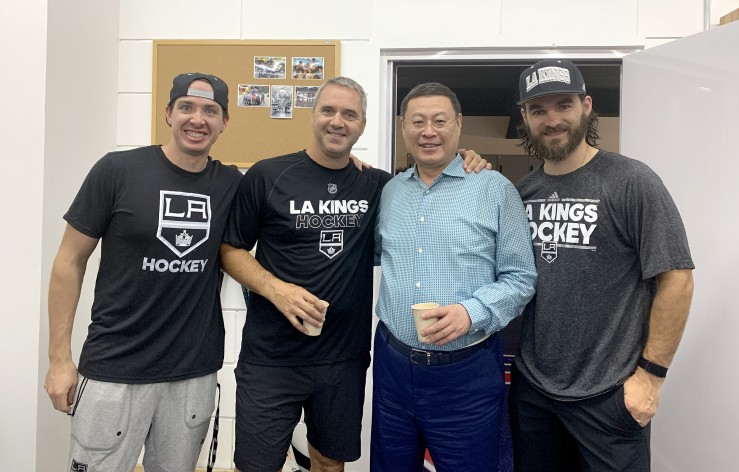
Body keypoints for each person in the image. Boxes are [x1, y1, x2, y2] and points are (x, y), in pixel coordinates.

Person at [220, 76, 489, 472]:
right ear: (313, 116)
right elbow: (231, 249)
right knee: (258, 465)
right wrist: (275, 290)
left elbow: (428, 181)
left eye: (350, 114)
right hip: (271, 358)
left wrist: (467, 158)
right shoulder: (267, 175)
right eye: (328, 111)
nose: (337, 121)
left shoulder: (380, 185)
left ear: (363, 125)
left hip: (343, 358)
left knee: (329, 462)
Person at [44, 72, 241, 471]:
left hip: (192, 375)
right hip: (113, 372)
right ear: (168, 113)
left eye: (210, 110)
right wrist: (59, 359)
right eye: (186, 107)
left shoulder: (231, 184)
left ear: (224, 122)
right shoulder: (117, 171)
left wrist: (342, 165)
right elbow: (69, 261)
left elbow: (290, 187)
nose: (197, 119)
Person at [508, 59, 695, 471]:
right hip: (533, 393)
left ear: (586, 106)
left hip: (608, 395)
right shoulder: (524, 192)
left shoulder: (631, 180)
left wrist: (651, 376)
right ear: (524, 117)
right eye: (538, 110)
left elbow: (677, 278)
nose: (552, 119)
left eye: (564, 105)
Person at [371, 82, 538, 472]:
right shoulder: (390, 191)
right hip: (394, 367)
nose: (428, 131)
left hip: (467, 373)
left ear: (459, 124)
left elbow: (520, 276)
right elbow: (377, 255)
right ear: (403, 128)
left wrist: (472, 312)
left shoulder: (496, 190)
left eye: (440, 121)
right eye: (418, 122)